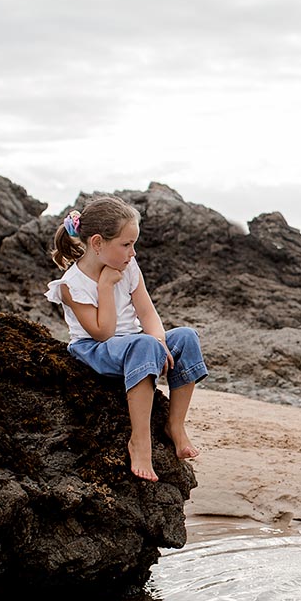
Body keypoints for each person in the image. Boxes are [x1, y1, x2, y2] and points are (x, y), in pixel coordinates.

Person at [45, 196, 207, 481]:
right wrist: (106, 286)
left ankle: (176, 425)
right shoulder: (72, 284)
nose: (132, 253)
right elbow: (103, 333)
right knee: (143, 344)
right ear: (97, 243)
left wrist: (159, 341)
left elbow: (148, 313)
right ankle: (140, 441)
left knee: (185, 337)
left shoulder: (129, 267)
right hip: (93, 349)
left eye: (134, 244)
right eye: (126, 244)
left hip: (134, 344)